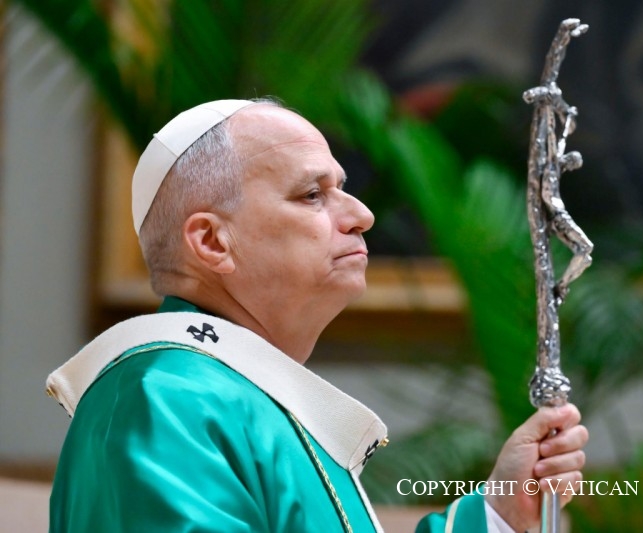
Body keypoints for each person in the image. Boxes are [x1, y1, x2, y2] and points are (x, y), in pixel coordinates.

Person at [47, 99, 588, 532]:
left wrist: (495, 515)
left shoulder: (234, 392)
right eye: (312, 195)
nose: (362, 215)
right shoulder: (166, 400)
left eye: (343, 188)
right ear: (213, 241)